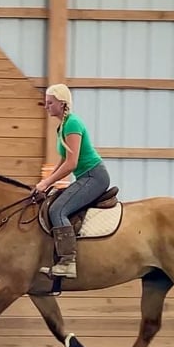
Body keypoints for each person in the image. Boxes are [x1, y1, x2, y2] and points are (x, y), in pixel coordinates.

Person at [34, 83, 110, 278]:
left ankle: (68, 261)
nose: (46, 106)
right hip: (85, 176)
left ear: (61, 103)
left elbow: (72, 163)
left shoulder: (73, 124)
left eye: (50, 103)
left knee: (57, 210)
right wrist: (49, 182)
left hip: (94, 176)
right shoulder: (62, 127)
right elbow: (62, 161)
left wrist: (45, 183)